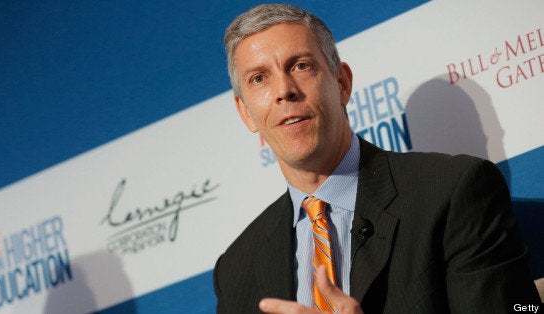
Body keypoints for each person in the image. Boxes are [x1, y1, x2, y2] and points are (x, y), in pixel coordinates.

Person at [213, 4, 539, 313]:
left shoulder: (453, 194)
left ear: (342, 83)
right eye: (259, 78)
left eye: (300, 66)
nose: (284, 89)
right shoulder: (236, 271)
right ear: (245, 112)